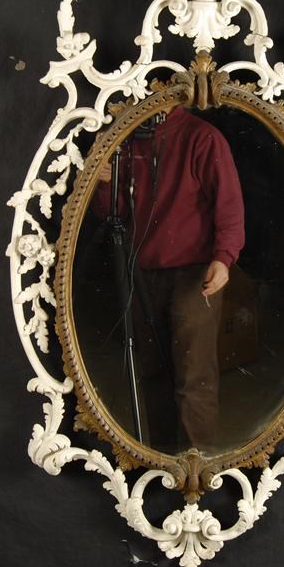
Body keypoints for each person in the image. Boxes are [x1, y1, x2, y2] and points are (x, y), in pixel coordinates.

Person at [90, 105, 245, 452]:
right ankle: (162, 462)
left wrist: (224, 258)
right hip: (143, 272)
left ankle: (196, 463)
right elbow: (114, 212)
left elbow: (230, 205)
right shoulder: (129, 138)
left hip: (195, 272)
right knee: (153, 372)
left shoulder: (203, 137)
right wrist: (104, 183)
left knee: (194, 377)